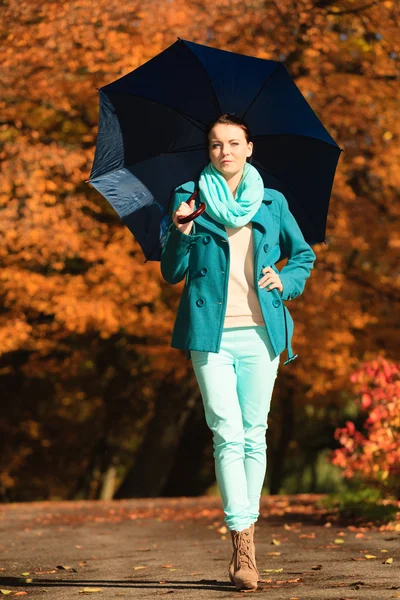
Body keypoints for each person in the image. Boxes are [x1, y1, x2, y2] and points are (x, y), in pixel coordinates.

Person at [160, 113, 316, 592]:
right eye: (214, 144)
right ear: (208, 152)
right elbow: (172, 271)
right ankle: (242, 545)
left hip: (260, 334)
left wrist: (284, 281)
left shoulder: (272, 201)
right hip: (210, 334)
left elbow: (303, 256)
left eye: (232, 143)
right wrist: (181, 230)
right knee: (226, 432)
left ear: (249, 147)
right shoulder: (190, 198)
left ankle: (246, 535)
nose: (223, 151)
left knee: (254, 433)